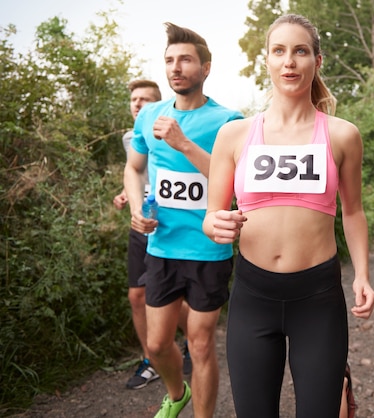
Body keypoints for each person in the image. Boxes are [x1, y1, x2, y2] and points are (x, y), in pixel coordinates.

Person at [202, 13, 374, 418]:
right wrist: (216, 224)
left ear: (317, 60)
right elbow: (211, 215)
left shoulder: (341, 134)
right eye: (279, 51)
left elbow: (352, 211)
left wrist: (362, 275)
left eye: (300, 51)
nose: (289, 62)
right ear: (266, 60)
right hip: (253, 295)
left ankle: (337, 384)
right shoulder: (235, 134)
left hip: (318, 297)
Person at [124, 23, 243, 418]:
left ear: (205, 68)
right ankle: (177, 394)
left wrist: (184, 143)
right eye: (170, 61)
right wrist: (136, 209)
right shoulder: (150, 115)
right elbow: (134, 166)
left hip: (208, 247)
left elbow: (235, 182)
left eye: (186, 60)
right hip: (162, 245)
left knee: (202, 342)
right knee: (157, 345)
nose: (176, 68)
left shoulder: (229, 120)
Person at [113, 79, 192, 390]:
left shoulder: (173, 130)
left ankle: (192, 337)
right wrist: (126, 197)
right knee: (137, 295)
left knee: (169, 296)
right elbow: (138, 172)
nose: (138, 104)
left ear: (159, 105)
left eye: (145, 99)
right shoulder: (129, 137)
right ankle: (151, 360)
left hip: (170, 223)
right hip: (141, 223)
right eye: (134, 99)